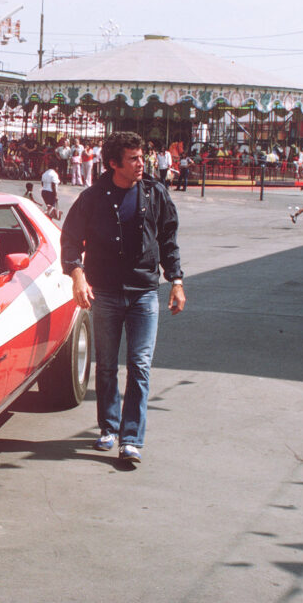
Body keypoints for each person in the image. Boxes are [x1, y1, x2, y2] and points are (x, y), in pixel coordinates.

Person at [60, 131, 185, 464]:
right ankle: (109, 428)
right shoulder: (92, 198)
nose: (141, 163)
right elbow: (70, 240)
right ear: (114, 163)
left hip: (145, 293)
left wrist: (176, 280)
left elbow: (169, 239)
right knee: (106, 367)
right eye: (133, 158)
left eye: (142, 157)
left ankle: (131, 439)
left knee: (140, 366)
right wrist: (78, 276)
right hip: (105, 294)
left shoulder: (155, 193)